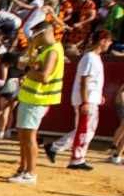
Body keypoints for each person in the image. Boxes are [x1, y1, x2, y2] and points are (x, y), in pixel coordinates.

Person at [45, 30, 111, 171]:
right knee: (84, 130)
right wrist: (86, 101)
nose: (110, 44)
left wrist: (98, 96)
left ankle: (58, 148)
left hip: (89, 98)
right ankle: (76, 158)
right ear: (102, 41)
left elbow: (90, 82)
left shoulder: (93, 58)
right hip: (86, 100)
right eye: (109, 41)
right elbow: (84, 81)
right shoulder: (90, 58)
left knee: (85, 129)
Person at [8, 19, 64, 185]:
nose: (32, 39)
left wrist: (27, 70)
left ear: (42, 33)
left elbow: (43, 76)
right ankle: (23, 169)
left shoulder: (52, 51)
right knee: (24, 136)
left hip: (37, 98)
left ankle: (30, 172)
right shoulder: (47, 50)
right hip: (31, 98)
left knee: (29, 137)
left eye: (35, 36)